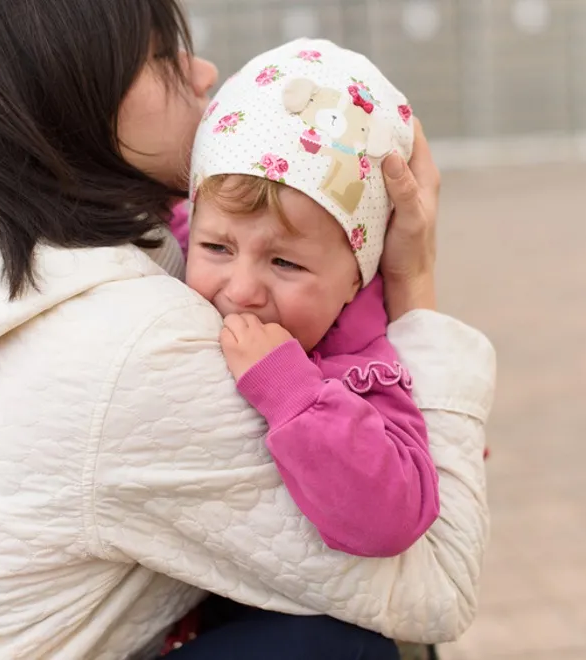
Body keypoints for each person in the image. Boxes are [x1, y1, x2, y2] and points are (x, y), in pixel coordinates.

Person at [0, 1, 495, 659]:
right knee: (333, 647)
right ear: (68, 94)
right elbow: (439, 582)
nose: (204, 73)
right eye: (160, 58)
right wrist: (413, 283)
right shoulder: (130, 346)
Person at [180, 38, 439, 560]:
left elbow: (392, 519)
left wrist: (291, 391)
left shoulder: (366, 371)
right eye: (216, 247)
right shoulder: (158, 261)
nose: (242, 290)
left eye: (286, 263)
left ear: (355, 280)